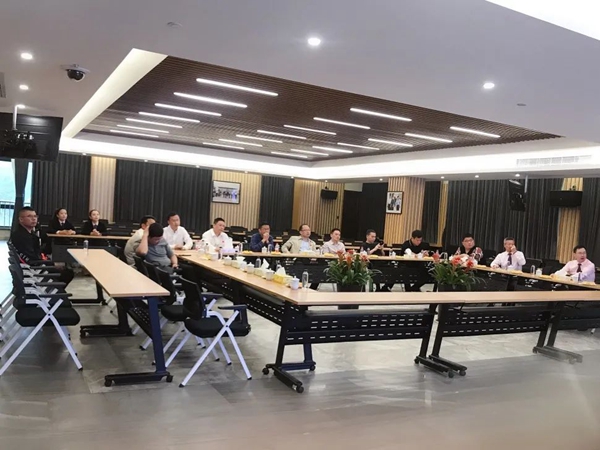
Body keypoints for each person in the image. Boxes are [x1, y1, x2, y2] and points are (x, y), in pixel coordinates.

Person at [10, 207, 74, 284]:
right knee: (68, 274)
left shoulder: (30, 234)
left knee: (65, 270)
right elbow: (32, 258)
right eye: (29, 216)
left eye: (35, 216)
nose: (34, 219)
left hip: (36, 264)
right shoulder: (21, 236)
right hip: (33, 269)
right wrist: (51, 263)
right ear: (21, 219)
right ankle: (53, 290)